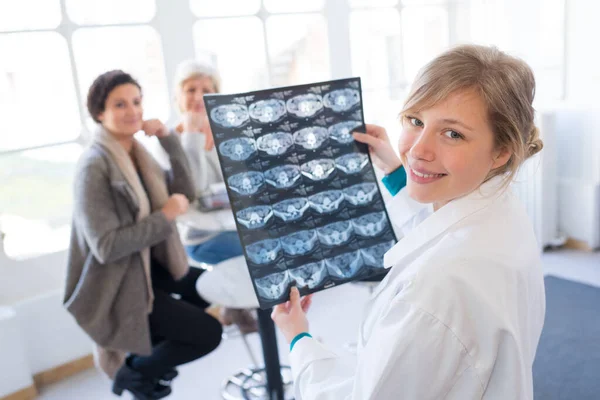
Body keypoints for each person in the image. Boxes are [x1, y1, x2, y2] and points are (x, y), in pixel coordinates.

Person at [272, 44, 546, 399]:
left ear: (501, 151)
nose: (418, 150)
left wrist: (299, 340)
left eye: (453, 134)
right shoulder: (500, 210)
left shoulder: (434, 290)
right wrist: (394, 169)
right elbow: (435, 231)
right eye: (415, 121)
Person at [63, 70, 223, 400]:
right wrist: (165, 217)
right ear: (99, 113)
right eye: (120, 104)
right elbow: (106, 248)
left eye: (137, 102)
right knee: (208, 333)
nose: (133, 111)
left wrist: (167, 137)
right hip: (119, 280)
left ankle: (146, 366)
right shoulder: (94, 166)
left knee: (210, 288)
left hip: (151, 266)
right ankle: (134, 372)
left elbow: (185, 192)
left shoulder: (137, 152)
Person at [171, 59, 257, 332]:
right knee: (263, 255)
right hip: (201, 238)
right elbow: (193, 192)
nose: (198, 97)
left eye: (206, 90)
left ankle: (238, 307)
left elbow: (238, 183)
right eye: (190, 90)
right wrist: (193, 136)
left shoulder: (222, 133)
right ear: (179, 96)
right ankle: (239, 306)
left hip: (234, 227)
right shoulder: (170, 140)